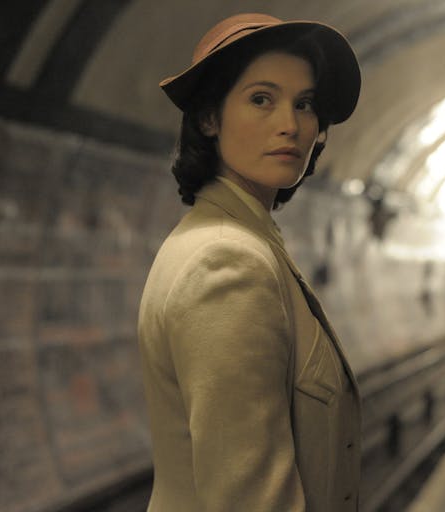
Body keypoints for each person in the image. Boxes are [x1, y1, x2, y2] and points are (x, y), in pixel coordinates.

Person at [137, 13, 362, 511]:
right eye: (262, 99)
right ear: (209, 118)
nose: (290, 124)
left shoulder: (240, 241)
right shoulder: (227, 263)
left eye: (304, 104)